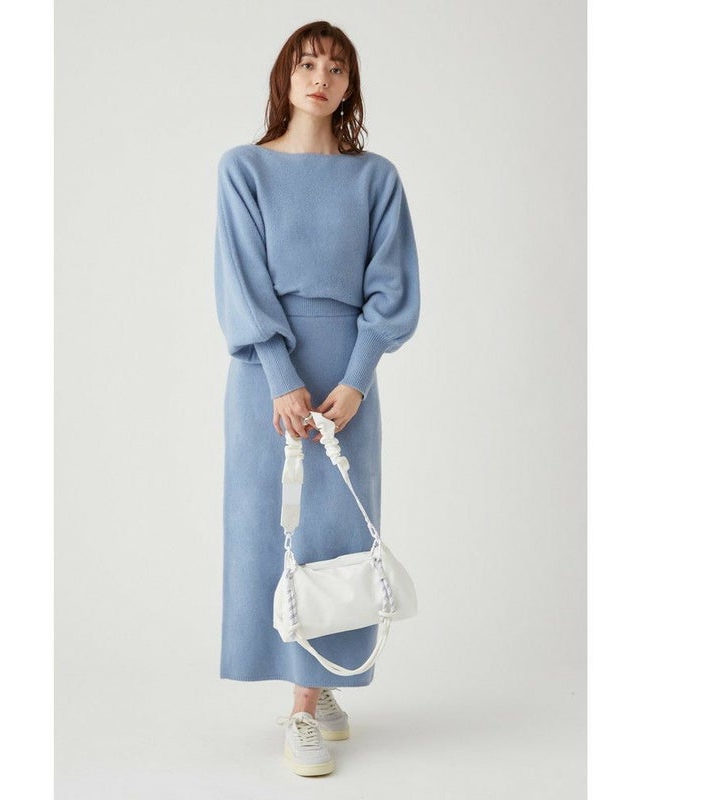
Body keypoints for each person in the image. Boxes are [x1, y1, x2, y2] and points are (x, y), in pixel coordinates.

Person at [213, 20, 421, 777]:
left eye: (336, 68)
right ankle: (306, 694)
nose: (321, 78)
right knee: (268, 531)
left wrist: (357, 379)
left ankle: (311, 697)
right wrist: (279, 374)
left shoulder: (376, 179)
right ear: (286, 76)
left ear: (349, 86)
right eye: (307, 63)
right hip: (265, 379)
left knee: (336, 535)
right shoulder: (244, 169)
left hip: (346, 382)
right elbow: (241, 279)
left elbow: (391, 286)